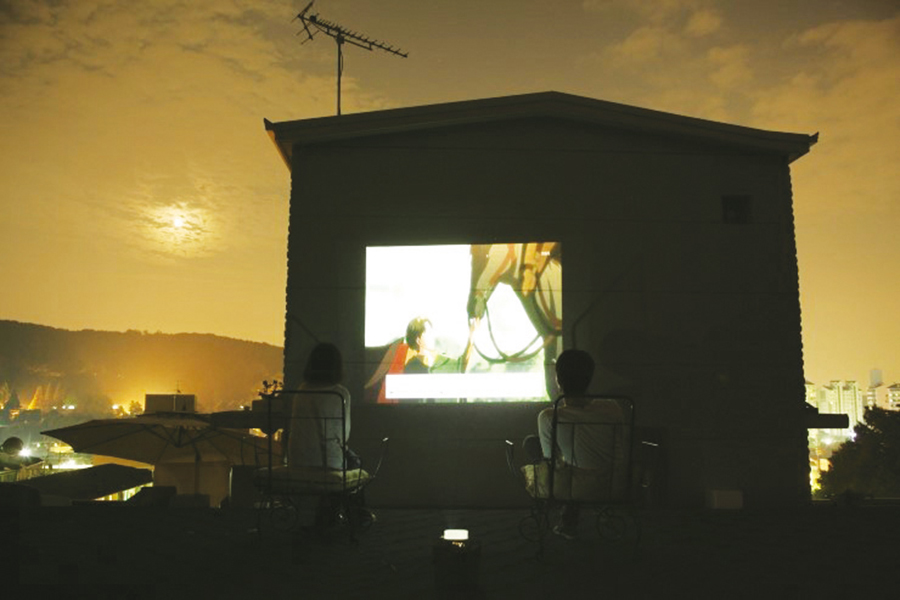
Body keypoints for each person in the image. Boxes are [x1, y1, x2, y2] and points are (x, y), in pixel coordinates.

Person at [524, 349, 624, 540]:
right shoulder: (612, 407)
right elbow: (620, 444)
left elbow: (551, 460)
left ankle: (568, 519)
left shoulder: (549, 416)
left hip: (572, 487)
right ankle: (595, 513)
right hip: (613, 481)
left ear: (558, 380)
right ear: (590, 378)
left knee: (532, 444)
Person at [289, 342, 356, 470]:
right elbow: (343, 435)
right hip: (329, 464)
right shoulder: (340, 394)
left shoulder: (302, 391)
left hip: (297, 461)